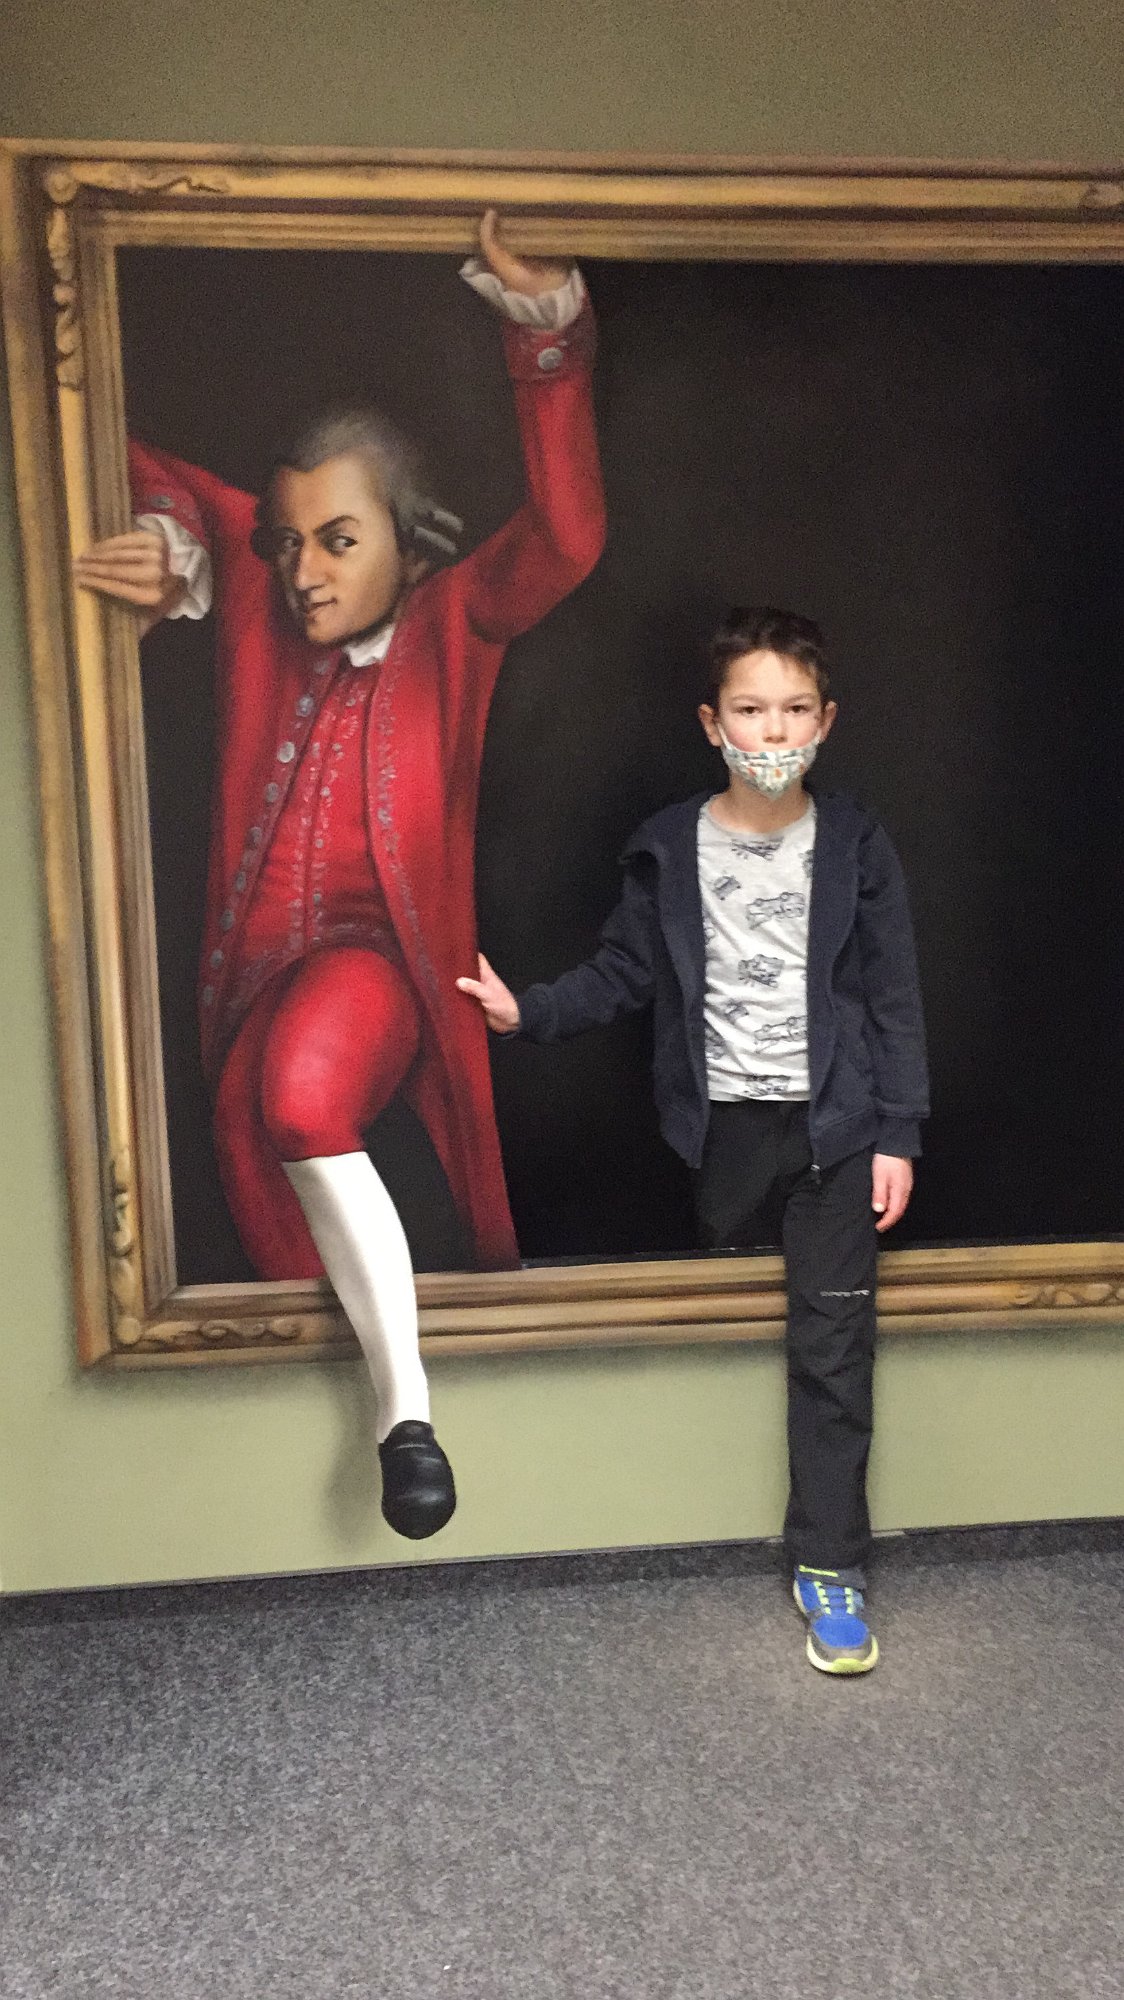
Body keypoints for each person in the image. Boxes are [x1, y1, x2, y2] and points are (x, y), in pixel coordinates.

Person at [74, 212, 606, 1540]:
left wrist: (546, 336)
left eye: (338, 541)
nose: (302, 572)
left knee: (305, 1096)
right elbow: (134, 459)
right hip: (248, 977)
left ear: (408, 543)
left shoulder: (457, 615)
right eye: (287, 543)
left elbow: (566, 533)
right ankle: (353, 1407)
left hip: (380, 969)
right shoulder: (260, 579)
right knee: (247, 1132)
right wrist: (169, 536)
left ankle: (405, 1414)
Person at [458, 607, 928, 1671]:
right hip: (717, 1133)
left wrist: (896, 1131)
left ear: (826, 719)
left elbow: (893, 996)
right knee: (706, 1302)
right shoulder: (670, 846)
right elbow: (625, 971)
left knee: (833, 1352)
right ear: (713, 723)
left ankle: (830, 1564)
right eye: (751, 711)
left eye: (795, 710)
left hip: (836, 1136)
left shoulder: (855, 843)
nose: (775, 732)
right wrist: (528, 1013)